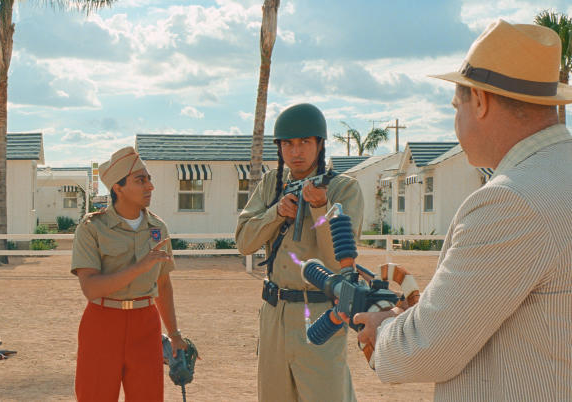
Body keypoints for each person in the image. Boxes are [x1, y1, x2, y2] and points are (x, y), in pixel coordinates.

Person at [351, 20, 572, 400]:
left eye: (458, 105)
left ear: (481, 101)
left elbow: (429, 349)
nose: (456, 119)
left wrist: (383, 329)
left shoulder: (511, 201)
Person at [235, 103, 363, 401]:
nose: (296, 152)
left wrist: (319, 208)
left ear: (320, 144)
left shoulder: (343, 190)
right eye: (288, 144)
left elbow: (338, 262)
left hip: (320, 314)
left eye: (305, 142)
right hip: (275, 311)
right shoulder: (272, 183)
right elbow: (244, 242)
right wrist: (276, 212)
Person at [71, 146, 186, 401]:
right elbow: (90, 288)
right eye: (140, 180)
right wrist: (139, 267)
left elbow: (163, 284)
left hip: (146, 324)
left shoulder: (158, 227)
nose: (150, 187)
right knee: (95, 396)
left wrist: (175, 335)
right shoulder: (92, 228)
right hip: (102, 323)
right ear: (118, 188)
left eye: (149, 179)